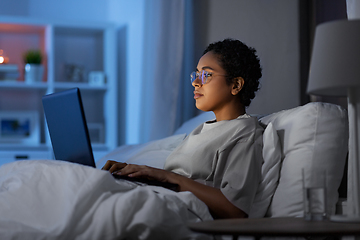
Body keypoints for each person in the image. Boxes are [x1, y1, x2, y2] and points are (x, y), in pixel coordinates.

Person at [102, 38, 263, 219]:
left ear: (236, 85)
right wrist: (140, 172)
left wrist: (167, 177)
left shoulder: (245, 133)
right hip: (162, 196)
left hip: (183, 211)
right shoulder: (202, 129)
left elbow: (235, 209)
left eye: (207, 75)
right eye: (196, 74)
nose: (196, 82)